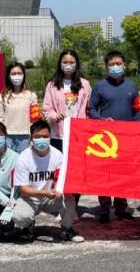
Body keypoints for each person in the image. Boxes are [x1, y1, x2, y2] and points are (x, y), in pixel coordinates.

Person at [88, 50, 140, 225]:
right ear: (106, 67)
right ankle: (104, 210)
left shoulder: (132, 86)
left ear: (124, 66)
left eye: (118, 64)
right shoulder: (99, 86)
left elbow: (137, 109)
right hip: (106, 139)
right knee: (105, 174)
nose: (115, 67)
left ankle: (121, 209)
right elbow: (91, 109)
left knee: (123, 174)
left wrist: (137, 130)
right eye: (111, 64)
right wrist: (101, 120)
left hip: (127, 138)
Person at [12, 120, 84, 243]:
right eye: (37, 137)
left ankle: (67, 229)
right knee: (20, 216)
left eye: (45, 136)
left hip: (51, 196)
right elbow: (23, 190)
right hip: (30, 196)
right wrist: (45, 193)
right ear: (31, 138)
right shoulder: (23, 158)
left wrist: (57, 189)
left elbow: (59, 177)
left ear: (50, 136)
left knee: (69, 199)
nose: (41, 140)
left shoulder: (58, 155)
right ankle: (28, 225)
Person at [42, 49, 91, 210]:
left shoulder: (84, 84)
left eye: (71, 62)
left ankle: (73, 207)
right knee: (60, 172)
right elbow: (47, 108)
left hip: (78, 135)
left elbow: (89, 108)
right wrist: (55, 116)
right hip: (59, 135)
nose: (68, 65)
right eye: (65, 62)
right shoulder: (52, 85)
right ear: (60, 64)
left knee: (76, 172)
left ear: (77, 64)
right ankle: (60, 206)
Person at [0, 62, 40, 153]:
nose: (17, 76)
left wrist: (34, 136)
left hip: (26, 137)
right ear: (9, 76)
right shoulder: (2, 97)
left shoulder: (31, 96)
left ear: (24, 75)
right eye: (14, 74)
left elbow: (35, 119)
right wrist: (1, 136)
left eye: (19, 73)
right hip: (8, 138)